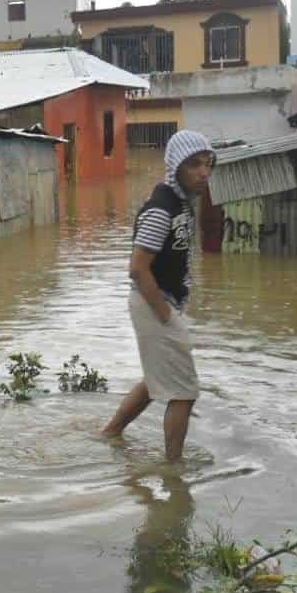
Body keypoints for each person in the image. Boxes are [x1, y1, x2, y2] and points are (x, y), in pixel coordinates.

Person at [102, 130, 214, 457]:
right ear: (176, 167)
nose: (204, 172)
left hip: (162, 301)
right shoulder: (160, 209)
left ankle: (110, 434)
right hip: (154, 302)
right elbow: (137, 267)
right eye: (194, 165)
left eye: (208, 164)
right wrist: (165, 314)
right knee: (184, 392)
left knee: (155, 382)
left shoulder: (180, 203)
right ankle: (173, 470)